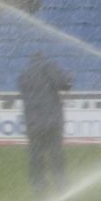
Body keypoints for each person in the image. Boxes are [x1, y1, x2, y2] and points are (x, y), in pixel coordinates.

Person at [19, 52, 71, 193]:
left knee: (35, 155)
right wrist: (69, 77)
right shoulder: (48, 67)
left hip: (33, 122)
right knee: (56, 153)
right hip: (52, 120)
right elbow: (65, 85)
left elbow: (24, 95)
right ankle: (61, 183)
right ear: (44, 58)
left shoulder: (24, 74)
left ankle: (38, 185)